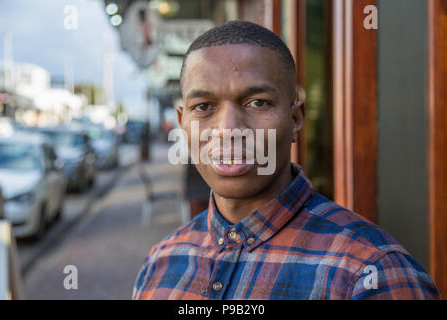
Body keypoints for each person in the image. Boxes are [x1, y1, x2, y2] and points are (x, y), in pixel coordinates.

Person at [133, 21, 439, 299]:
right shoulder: (159, 264)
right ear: (182, 122)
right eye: (203, 106)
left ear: (295, 119)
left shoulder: (371, 274)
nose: (228, 130)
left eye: (257, 103)